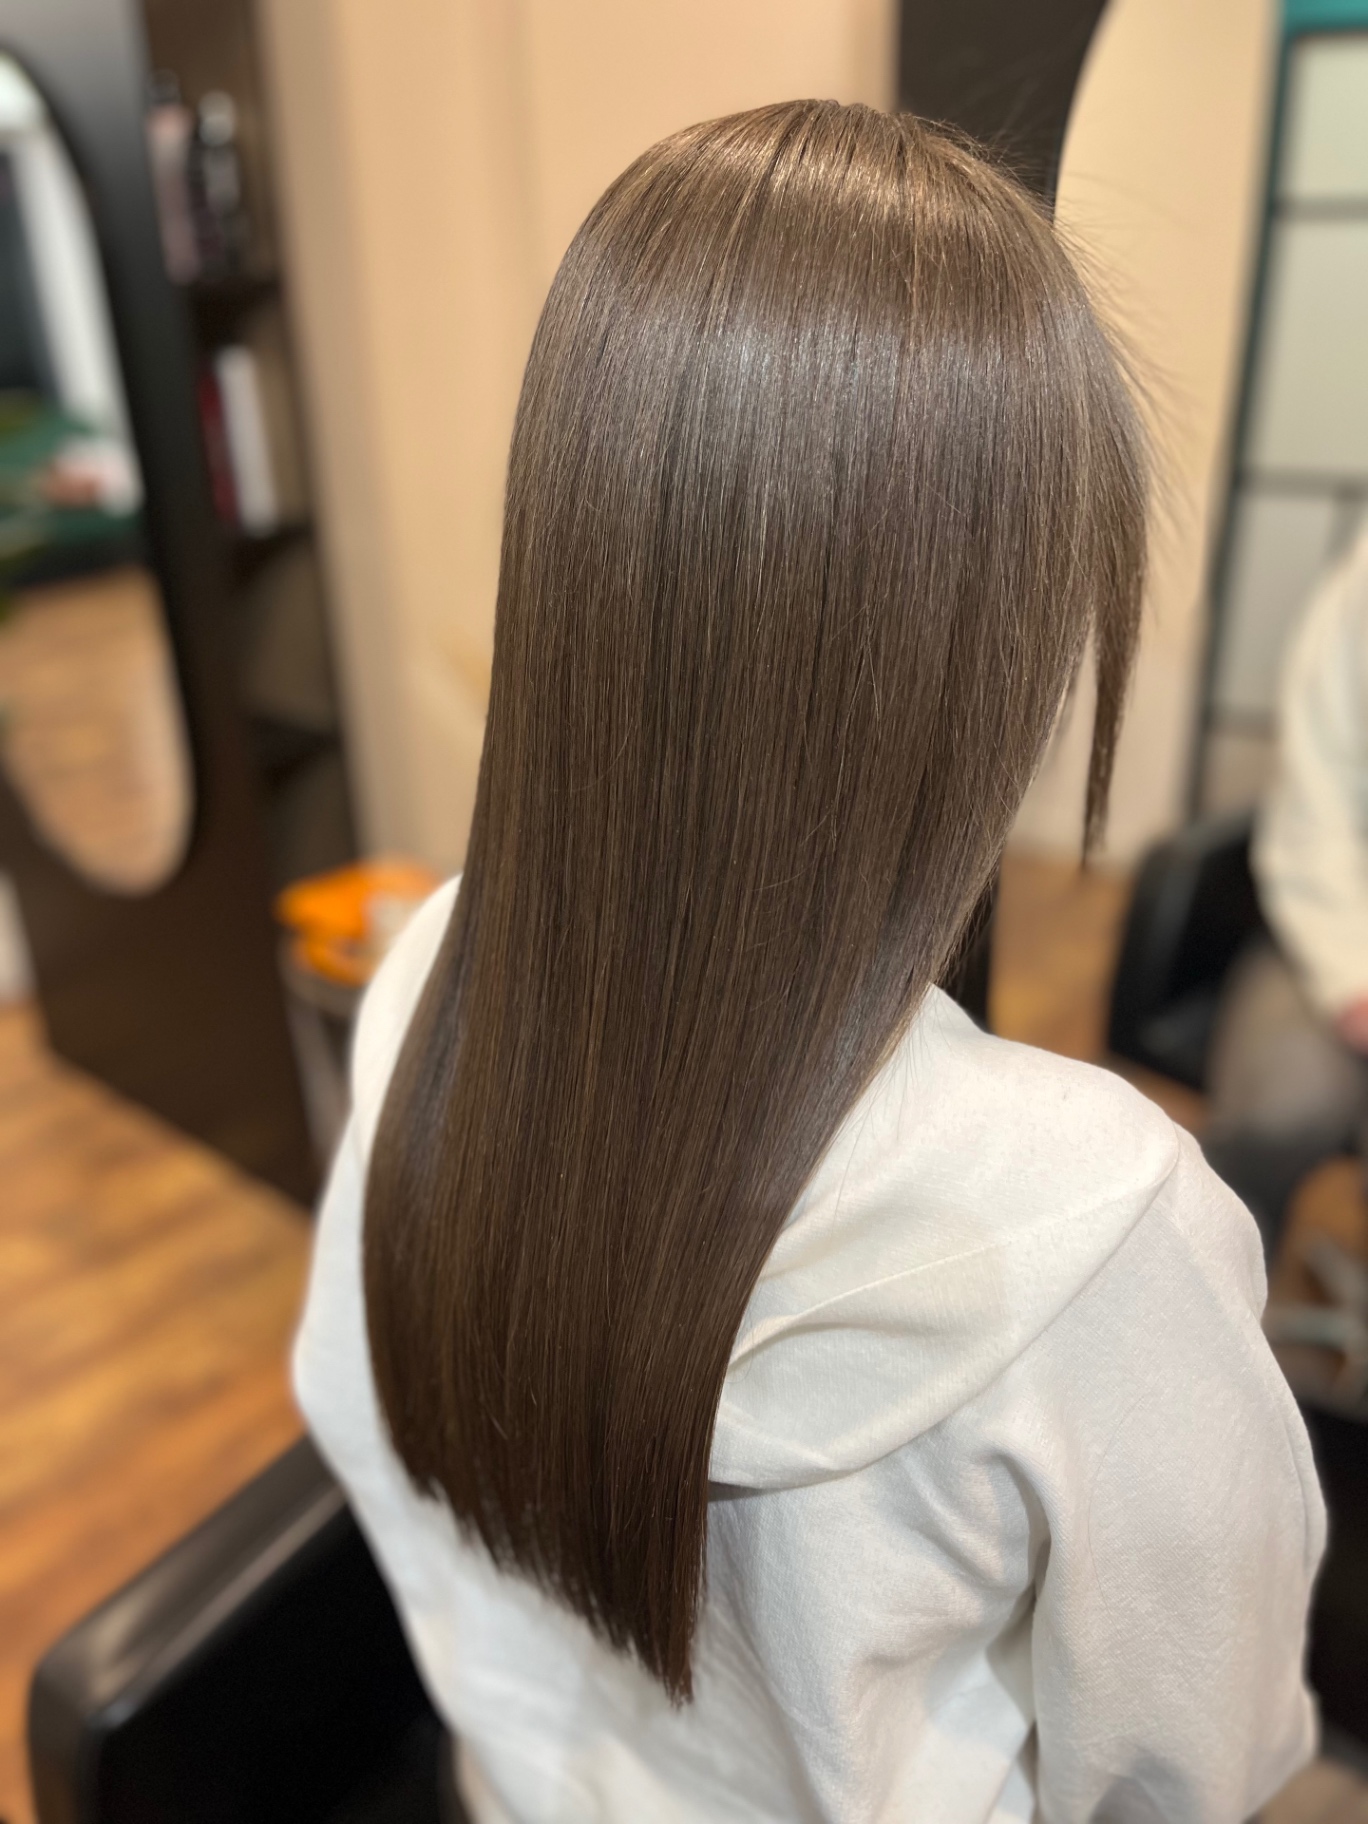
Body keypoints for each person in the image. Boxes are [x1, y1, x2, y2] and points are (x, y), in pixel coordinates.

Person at [295, 103, 1323, 1823]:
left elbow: (357, 1422)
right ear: (984, 657)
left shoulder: (427, 980)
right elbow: (1185, 1770)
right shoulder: (1100, 1234)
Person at [1205, 524, 1368, 1254]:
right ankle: (1223, 1287)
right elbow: (1315, 799)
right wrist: (1352, 980)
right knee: (1277, 1112)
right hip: (1332, 920)